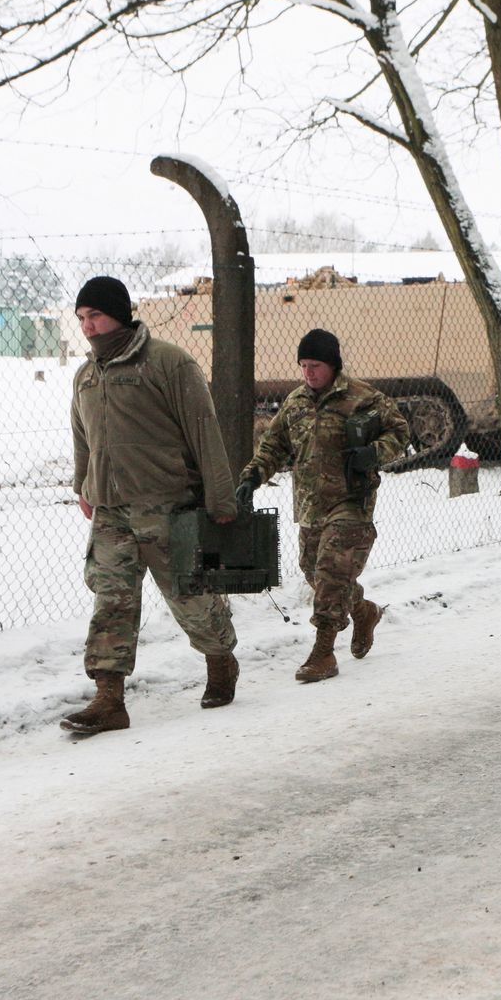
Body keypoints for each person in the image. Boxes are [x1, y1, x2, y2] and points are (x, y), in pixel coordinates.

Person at [62, 276, 240, 735]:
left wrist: (220, 498)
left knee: (189, 596)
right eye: (81, 318)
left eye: (95, 316)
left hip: (167, 506)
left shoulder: (167, 363)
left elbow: (205, 430)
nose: (87, 326)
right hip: (111, 511)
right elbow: (83, 438)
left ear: (119, 314)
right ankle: (109, 699)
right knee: (112, 601)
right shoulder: (86, 375)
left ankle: (220, 659)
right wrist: (84, 486)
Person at [238, 329, 410, 683]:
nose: (308, 373)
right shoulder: (295, 402)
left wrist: (373, 453)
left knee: (332, 571)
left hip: (351, 503)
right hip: (310, 507)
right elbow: (273, 445)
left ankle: (324, 652)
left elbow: (399, 432)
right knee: (317, 575)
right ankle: (363, 612)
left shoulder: (362, 398)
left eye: (315, 365)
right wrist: (251, 478)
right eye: (303, 366)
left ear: (332, 365)